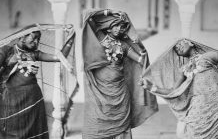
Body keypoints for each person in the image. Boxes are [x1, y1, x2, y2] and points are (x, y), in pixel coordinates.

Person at [82, 9, 158, 139]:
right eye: (115, 25)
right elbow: (88, 16)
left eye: (121, 26)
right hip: (100, 91)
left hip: (120, 93)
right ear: (108, 27)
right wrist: (107, 12)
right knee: (98, 122)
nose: (118, 29)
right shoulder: (100, 38)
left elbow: (139, 60)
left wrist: (143, 55)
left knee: (121, 126)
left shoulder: (123, 45)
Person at [0, 24, 75, 139]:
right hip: (12, 101)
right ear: (22, 37)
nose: (36, 42)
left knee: (35, 132)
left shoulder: (35, 54)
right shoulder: (6, 51)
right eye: (33, 38)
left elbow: (59, 57)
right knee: (13, 133)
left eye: (38, 39)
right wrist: (10, 63)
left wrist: (70, 38)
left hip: (33, 99)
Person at [141, 39, 218, 139]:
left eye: (180, 43)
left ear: (190, 42)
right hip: (197, 106)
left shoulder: (208, 56)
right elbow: (174, 91)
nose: (178, 47)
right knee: (192, 132)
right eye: (176, 48)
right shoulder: (184, 69)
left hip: (215, 105)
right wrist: (151, 87)